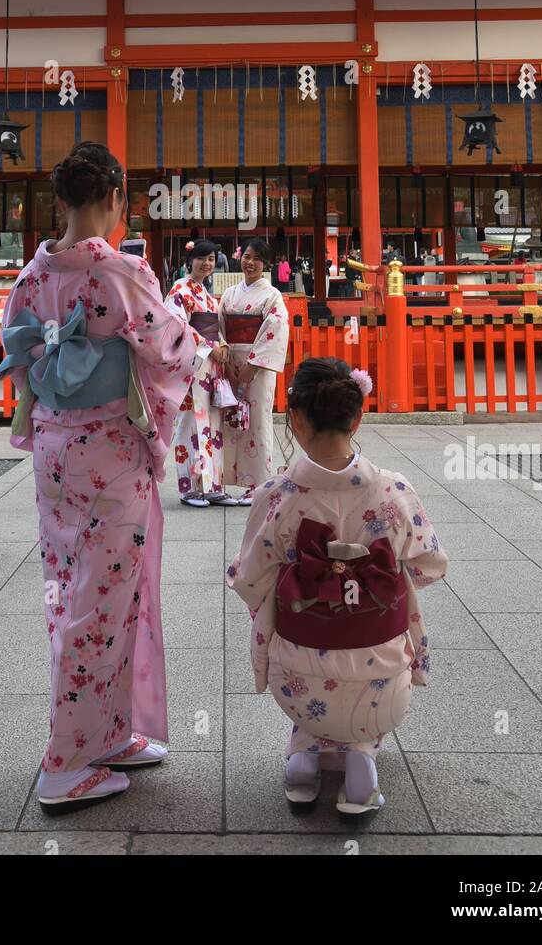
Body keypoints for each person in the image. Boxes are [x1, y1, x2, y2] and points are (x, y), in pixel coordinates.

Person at [0, 142, 206, 813]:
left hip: (57, 451)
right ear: (117, 197)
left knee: (78, 591)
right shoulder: (121, 273)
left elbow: (19, 350)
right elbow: (174, 346)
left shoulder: (32, 277)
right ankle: (64, 760)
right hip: (110, 453)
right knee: (96, 602)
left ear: (60, 201)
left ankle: (107, 732)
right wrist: (207, 350)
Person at [227, 358, 448, 818]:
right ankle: (360, 761)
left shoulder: (277, 495)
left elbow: (248, 579)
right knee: (371, 672)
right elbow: (430, 565)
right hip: (382, 676)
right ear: (357, 418)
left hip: (297, 677)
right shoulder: (394, 491)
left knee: (300, 653)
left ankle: (304, 761)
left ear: (297, 421)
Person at [219, 238, 289, 504]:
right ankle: (222, 479)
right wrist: (224, 360)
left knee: (257, 420)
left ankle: (259, 484)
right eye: (247, 257)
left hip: (257, 367)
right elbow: (219, 328)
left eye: (257, 259)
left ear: (265, 264)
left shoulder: (272, 296)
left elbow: (276, 328)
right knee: (227, 421)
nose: (250, 263)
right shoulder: (229, 294)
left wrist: (252, 366)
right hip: (228, 363)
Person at [164, 237, 233, 508]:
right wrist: (208, 346)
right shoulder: (179, 290)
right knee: (190, 425)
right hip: (193, 366)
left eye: (211, 260)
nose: (206, 264)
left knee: (212, 425)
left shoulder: (206, 294)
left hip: (211, 367)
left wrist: (223, 345)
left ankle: (212, 486)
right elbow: (178, 325)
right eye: (201, 258)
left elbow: (217, 327)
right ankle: (189, 489)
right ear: (189, 261)